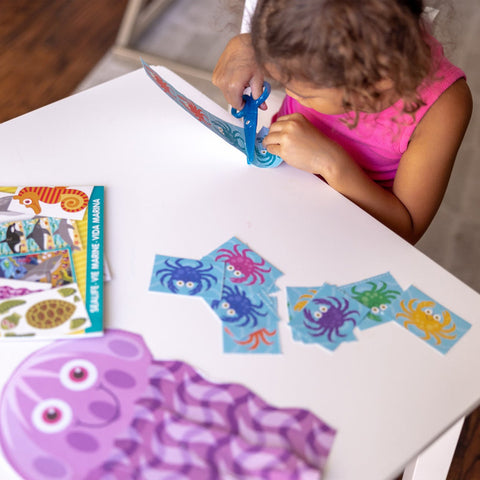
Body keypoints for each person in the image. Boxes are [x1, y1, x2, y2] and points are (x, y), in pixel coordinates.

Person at [212, 0, 472, 244]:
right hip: (280, 200)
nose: (288, 95)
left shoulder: (441, 108)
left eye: (305, 94)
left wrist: (329, 164)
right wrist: (250, 43)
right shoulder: (312, 36)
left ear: (374, 83)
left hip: (347, 238)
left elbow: (407, 230)